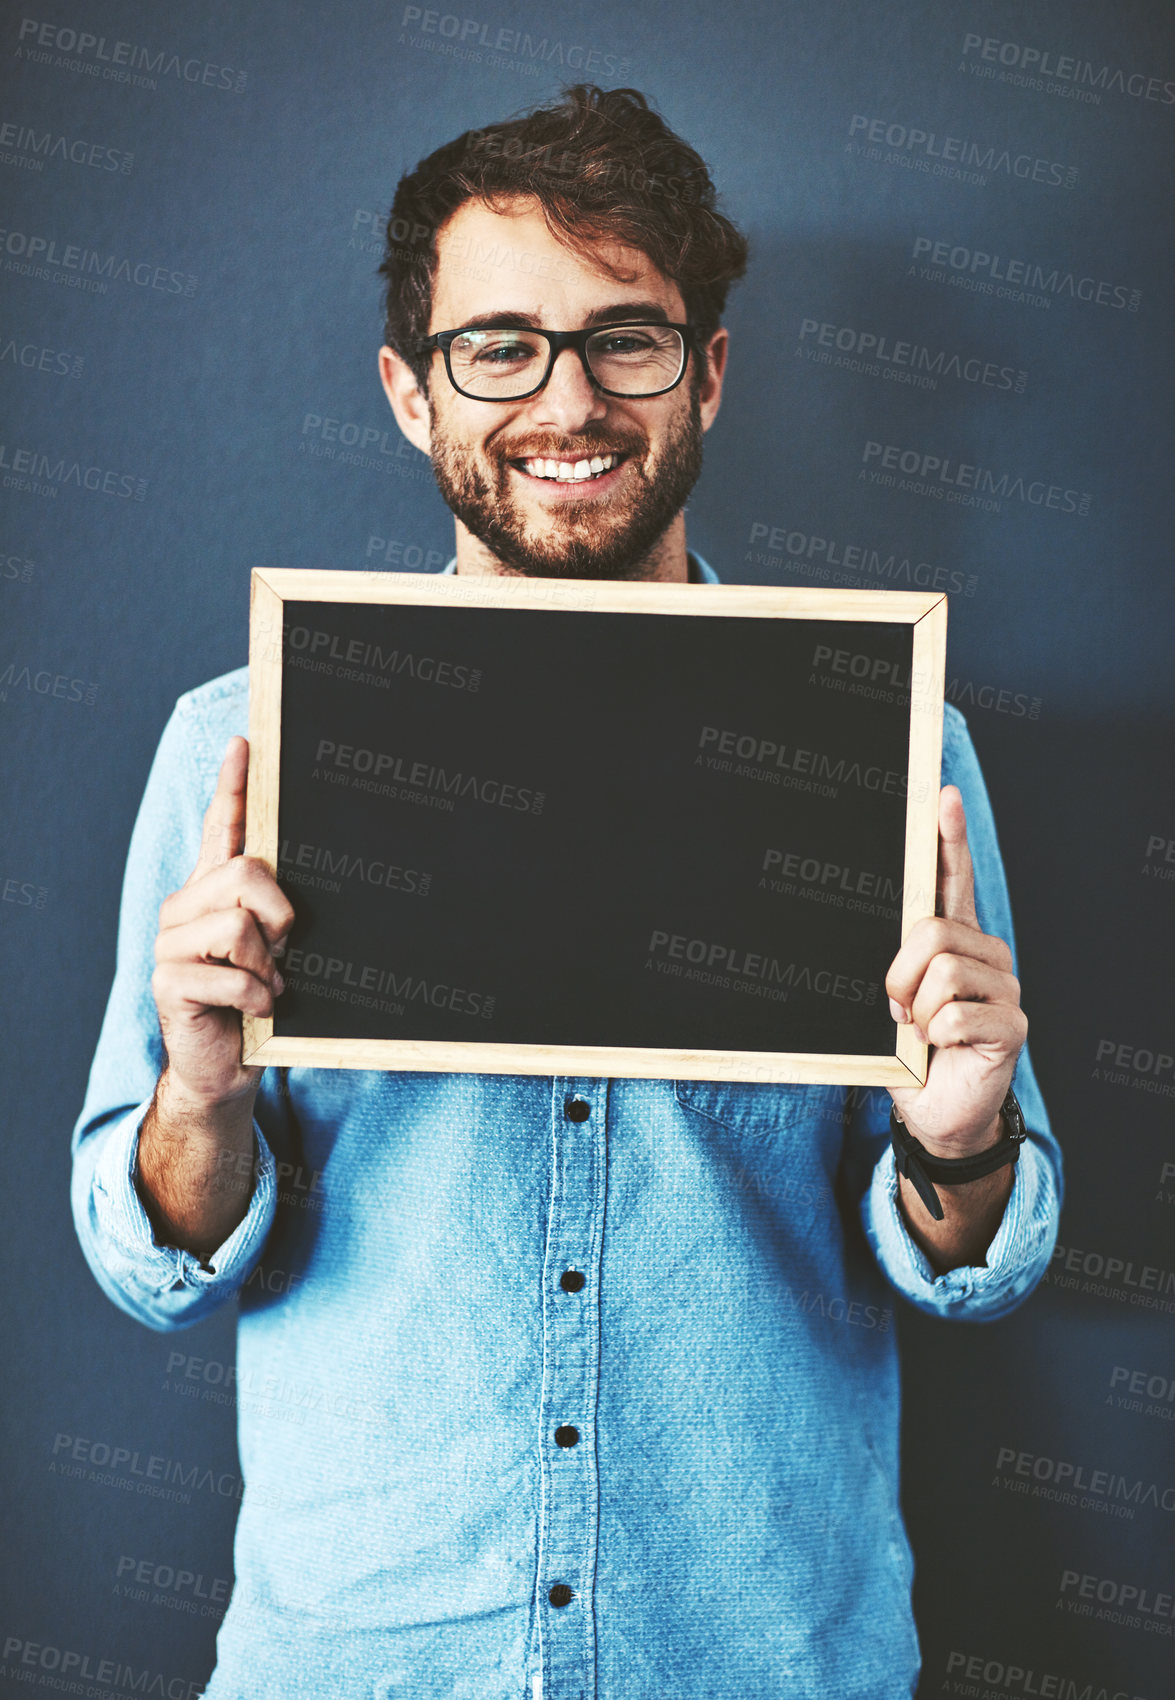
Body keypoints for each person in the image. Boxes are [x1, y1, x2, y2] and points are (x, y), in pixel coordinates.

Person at [71, 84, 1062, 1700]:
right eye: (500, 346)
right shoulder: (233, 743)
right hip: (366, 1663)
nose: (567, 398)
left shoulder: (897, 740)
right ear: (410, 391)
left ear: (710, 374)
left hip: (758, 1658)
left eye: (626, 338)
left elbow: (980, 1255)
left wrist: (963, 1143)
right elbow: (150, 1260)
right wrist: (199, 1092)